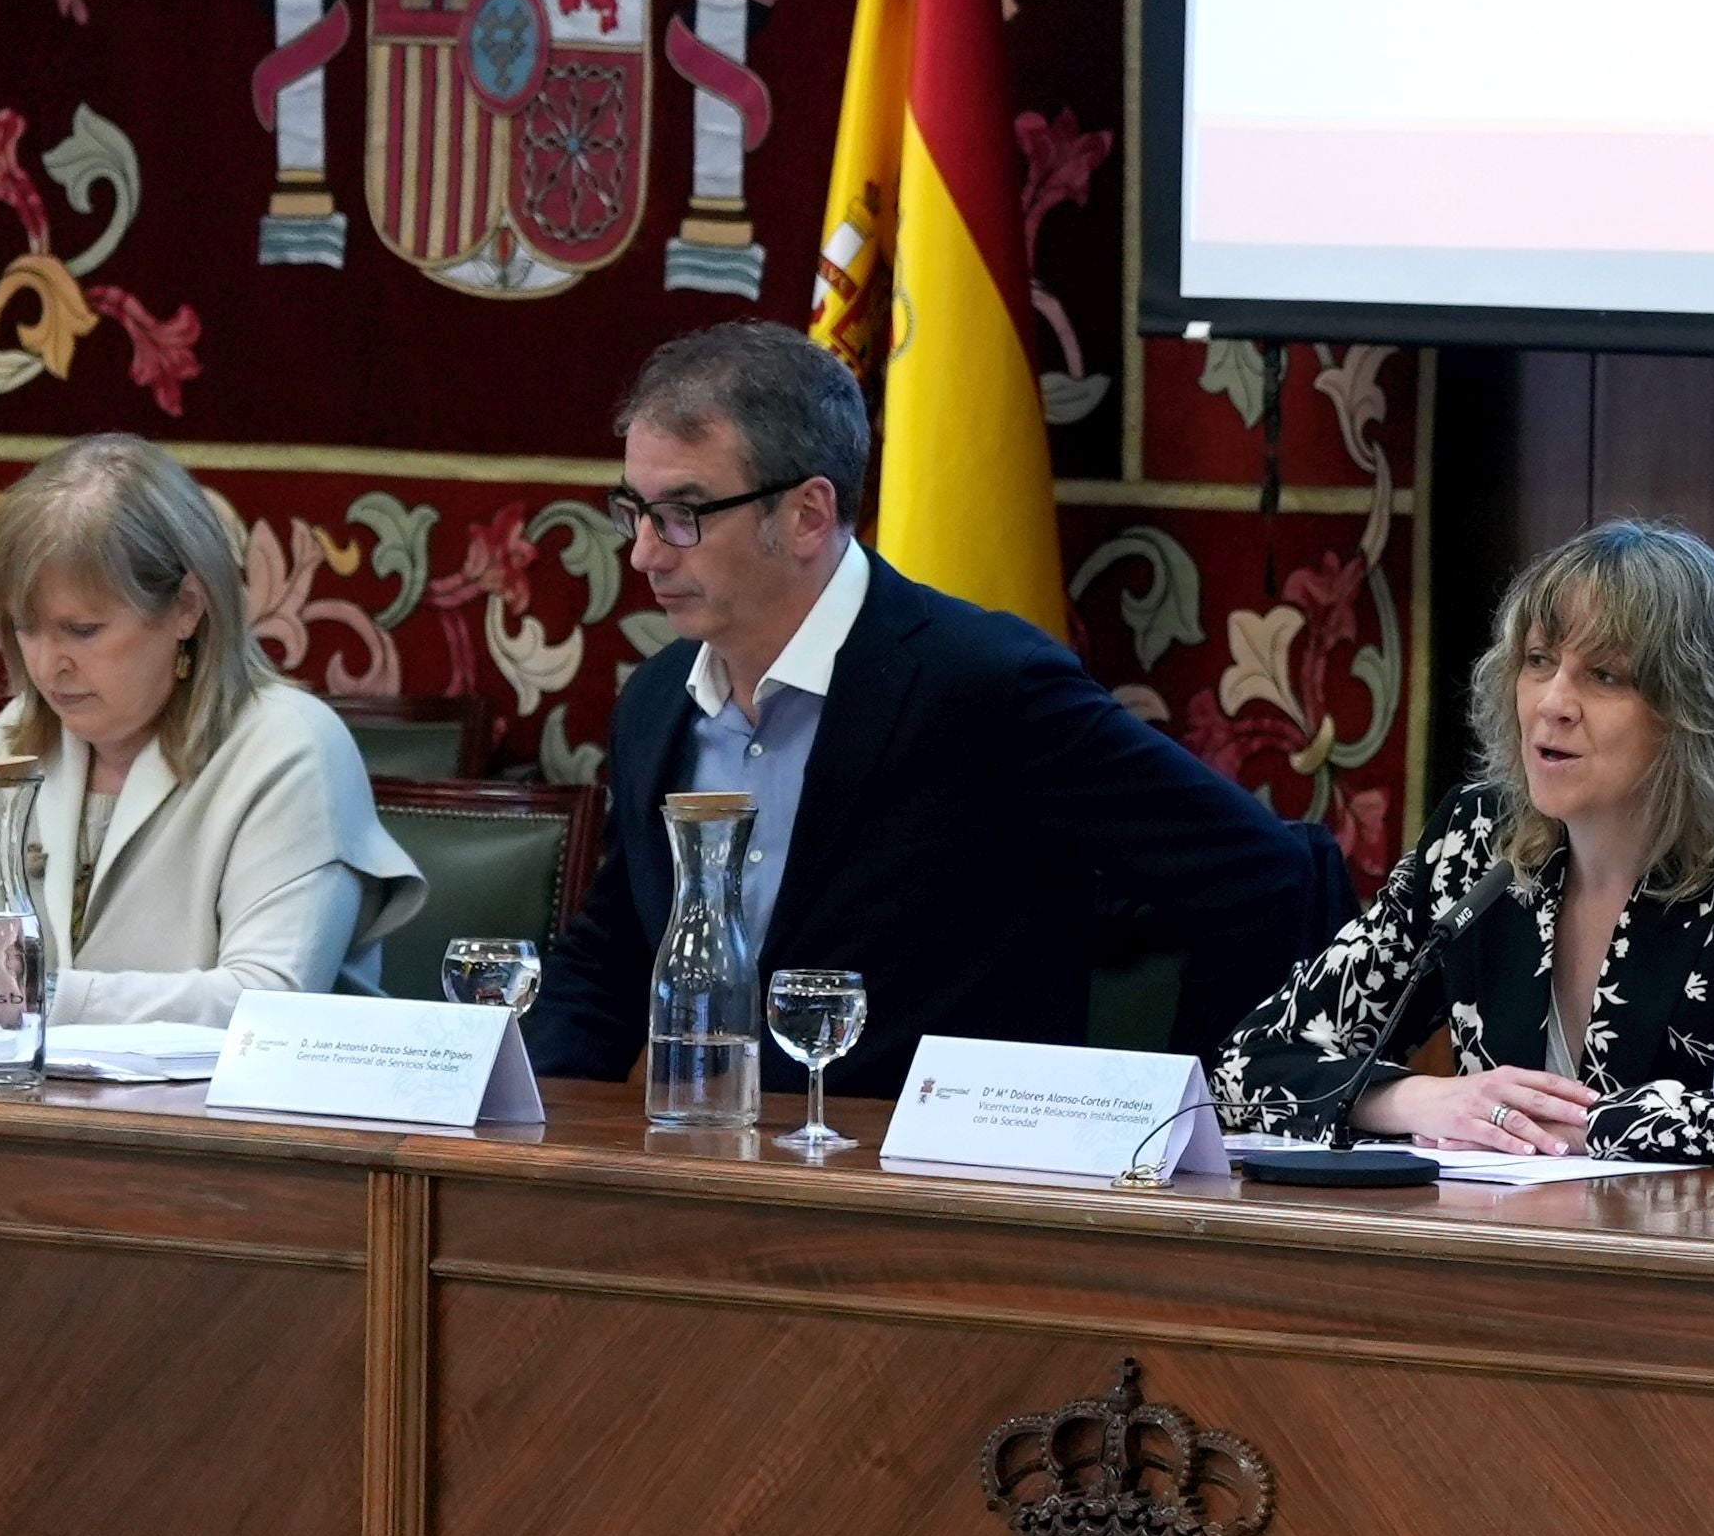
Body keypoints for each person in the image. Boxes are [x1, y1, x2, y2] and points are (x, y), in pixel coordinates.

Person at [525, 322, 1315, 1100]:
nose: (646, 552)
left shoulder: (985, 684)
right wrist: (516, 1124)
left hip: (939, 1193)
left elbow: (1261, 874)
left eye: (684, 513)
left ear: (806, 513)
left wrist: (1179, 1120)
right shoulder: (659, 699)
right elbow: (616, 952)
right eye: (636, 508)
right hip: (724, 1172)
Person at [1215, 519, 1714, 1165]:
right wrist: (1421, 1099)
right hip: (1497, 1258)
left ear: (1690, 710)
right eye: (1539, 661)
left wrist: (1574, 1122)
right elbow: (1248, 1065)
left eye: (1605, 676)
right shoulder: (1478, 842)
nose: (1553, 702)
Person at [0, 433, 423, 1030]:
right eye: (25, 629)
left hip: (248, 1134)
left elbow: (266, 1002)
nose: (46, 664)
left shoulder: (292, 749)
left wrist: (35, 993)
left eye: (82, 630)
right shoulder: (16, 740)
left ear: (186, 607)